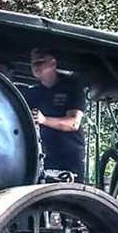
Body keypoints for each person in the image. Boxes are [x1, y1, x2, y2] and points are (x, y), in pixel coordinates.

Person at [24, 48, 87, 182]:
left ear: (53, 63)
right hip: (42, 156)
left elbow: (73, 123)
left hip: (69, 157)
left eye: (40, 61)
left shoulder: (72, 86)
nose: (36, 66)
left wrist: (44, 119)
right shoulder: (33, 93)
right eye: (33, 63)